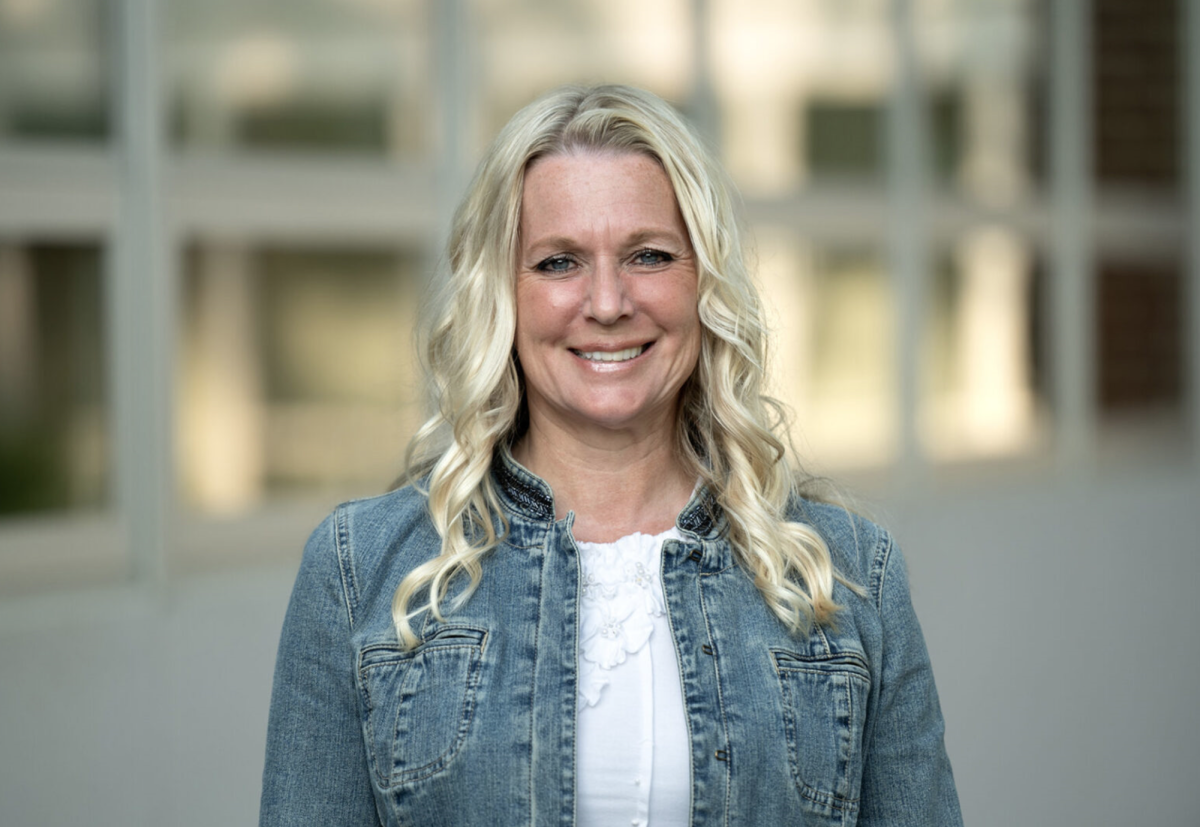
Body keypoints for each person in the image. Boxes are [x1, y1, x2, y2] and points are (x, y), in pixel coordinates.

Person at [260, 84, 961, 827]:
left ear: (705, 284)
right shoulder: (358, 571)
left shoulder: (849, 575)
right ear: (503, 293)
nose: (606, 302)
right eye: (559, 262)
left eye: (648, 255)